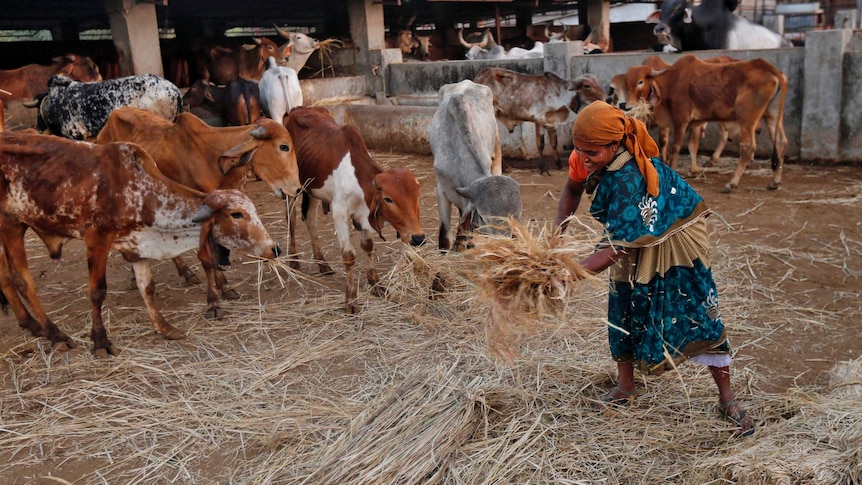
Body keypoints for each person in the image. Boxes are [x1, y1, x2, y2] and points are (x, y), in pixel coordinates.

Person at [554, 101, 755, 437]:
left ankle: (727, 398)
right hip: (631, 233)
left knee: (698, 311)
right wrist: (556, 235)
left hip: (677, 237)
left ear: (614, 145)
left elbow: (615, 249)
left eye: (592, 151)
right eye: (579, 149)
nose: (583, 157)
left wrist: (565, 274)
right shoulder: (584, 157)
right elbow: (572, 188)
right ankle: (625, 387)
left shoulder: (627, 179)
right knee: (623, 306)